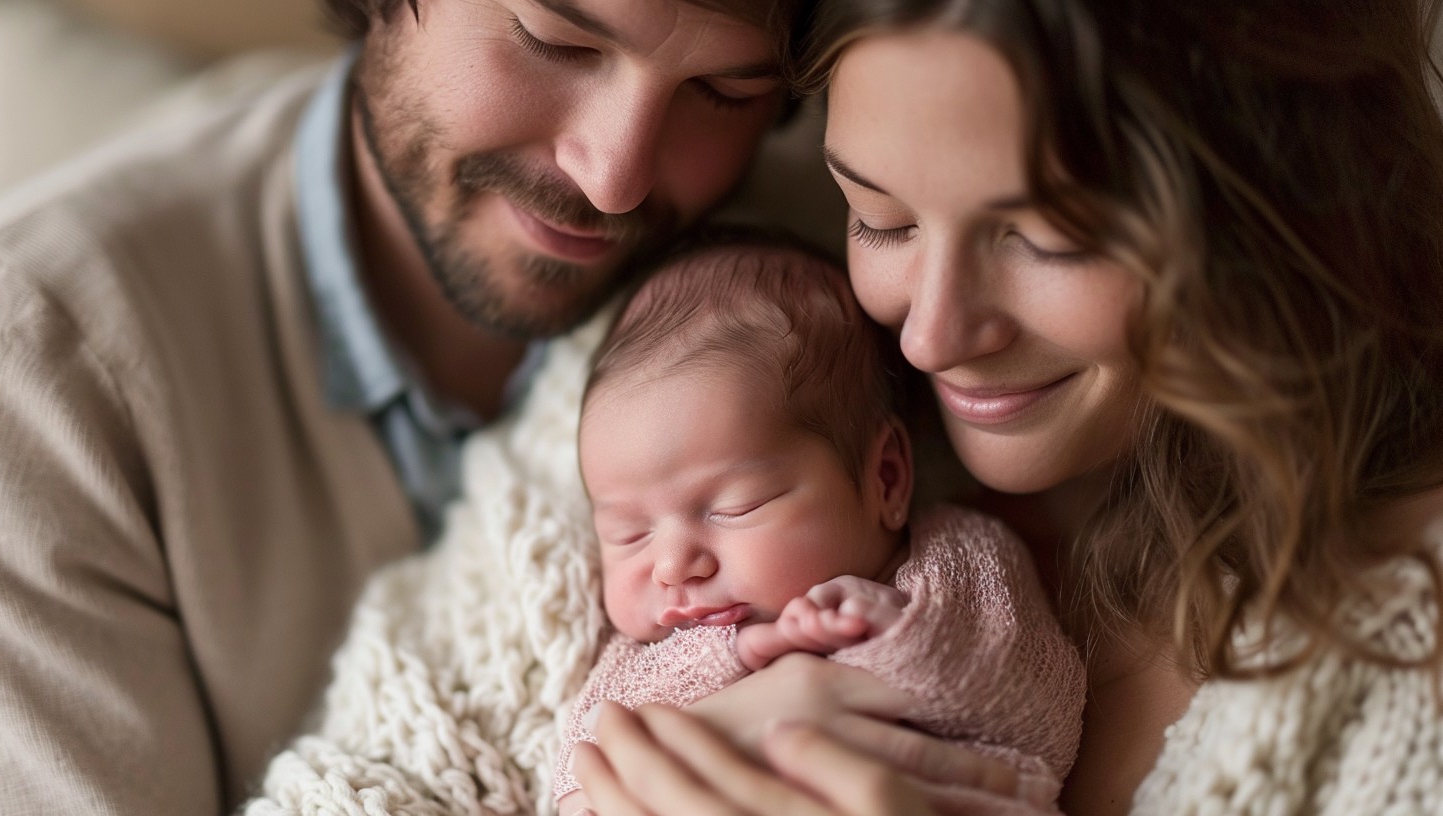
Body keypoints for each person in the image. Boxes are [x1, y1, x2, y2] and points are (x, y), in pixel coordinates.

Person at [571, 1, 1443, 814]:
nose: (931, 340)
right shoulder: (691, 383)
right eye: (882, 220)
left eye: (1050, 237)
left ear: (1276, 197)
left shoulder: (1406, 639)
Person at [0, 0, 816, 811]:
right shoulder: (36, 376)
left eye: (723, 92)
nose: (613, 178)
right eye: (555, 40)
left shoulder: (837, 254)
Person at [552, 232, 1084, 815]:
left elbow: (1043, 711)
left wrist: (899, 637)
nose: (674, 565)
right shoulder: (640, 659)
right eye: (628, 534)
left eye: (735, 508)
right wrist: (742, 651)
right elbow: (580, 769)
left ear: (885, 479)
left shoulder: (958, 557)